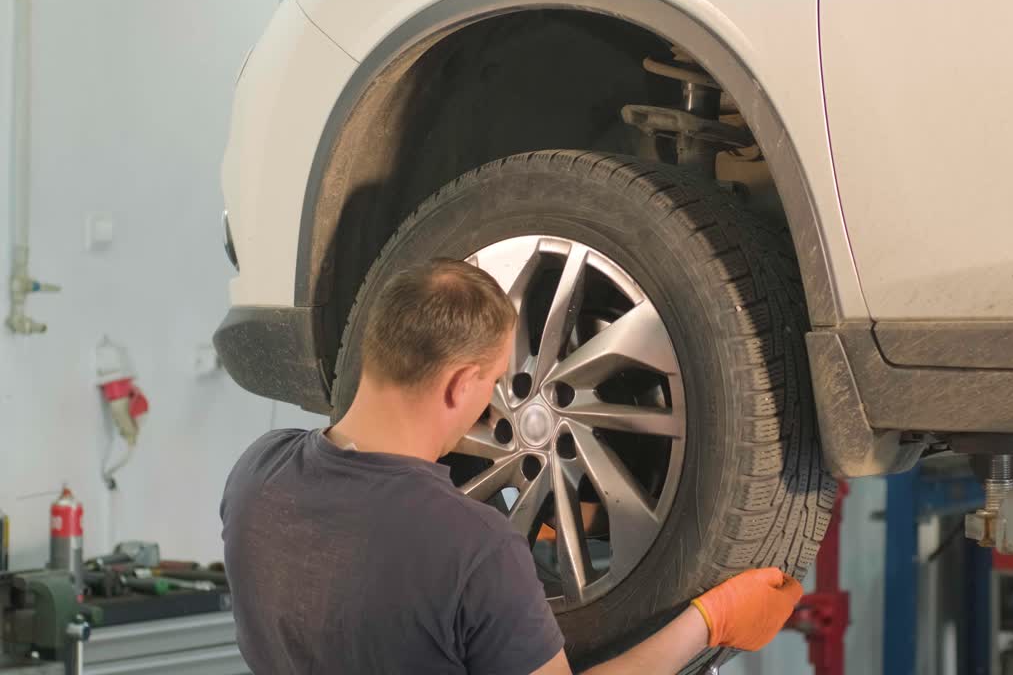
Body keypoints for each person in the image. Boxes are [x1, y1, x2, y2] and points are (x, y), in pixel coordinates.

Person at [220, 259, 802, 674]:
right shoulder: (474, 550)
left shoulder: (256, 475)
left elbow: (374, 543)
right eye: (497, 381)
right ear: (459, 385)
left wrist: (566, 511)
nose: (500, 402)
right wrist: (709, 620)